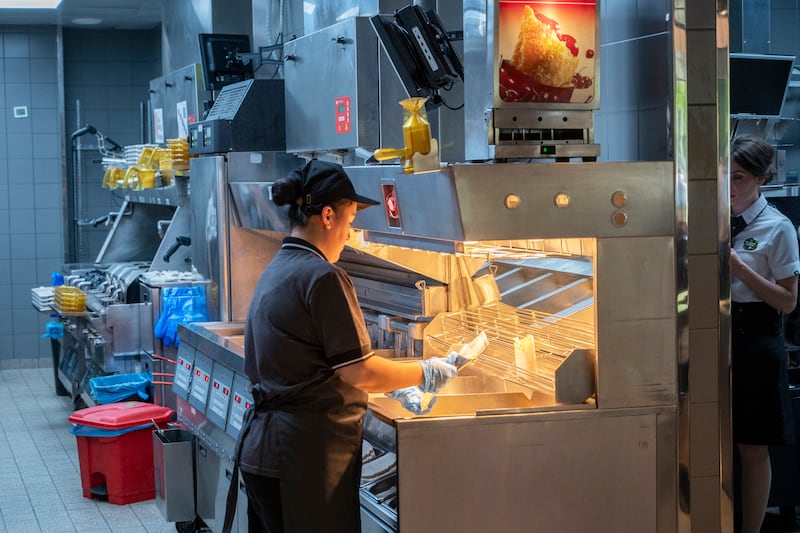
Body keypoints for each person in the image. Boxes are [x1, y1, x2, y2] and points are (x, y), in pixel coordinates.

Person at [234, 160, 461, 533]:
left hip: (266, 454)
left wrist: (395, 382)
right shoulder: (324, 276)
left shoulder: (281, 265)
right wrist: (425, 372)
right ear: (327, 216)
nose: (350, 233)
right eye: (350, 220)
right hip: (302, 462)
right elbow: (361, 370)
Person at [730, 135, 800, 533]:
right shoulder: (716, 218)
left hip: (757, 338)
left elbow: (787, 302)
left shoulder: (778, 228)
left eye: (738, 177)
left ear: (760, 179)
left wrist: (739, 267)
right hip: (717, 333)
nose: (730, 186)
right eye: (726, 176)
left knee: (752, 448)